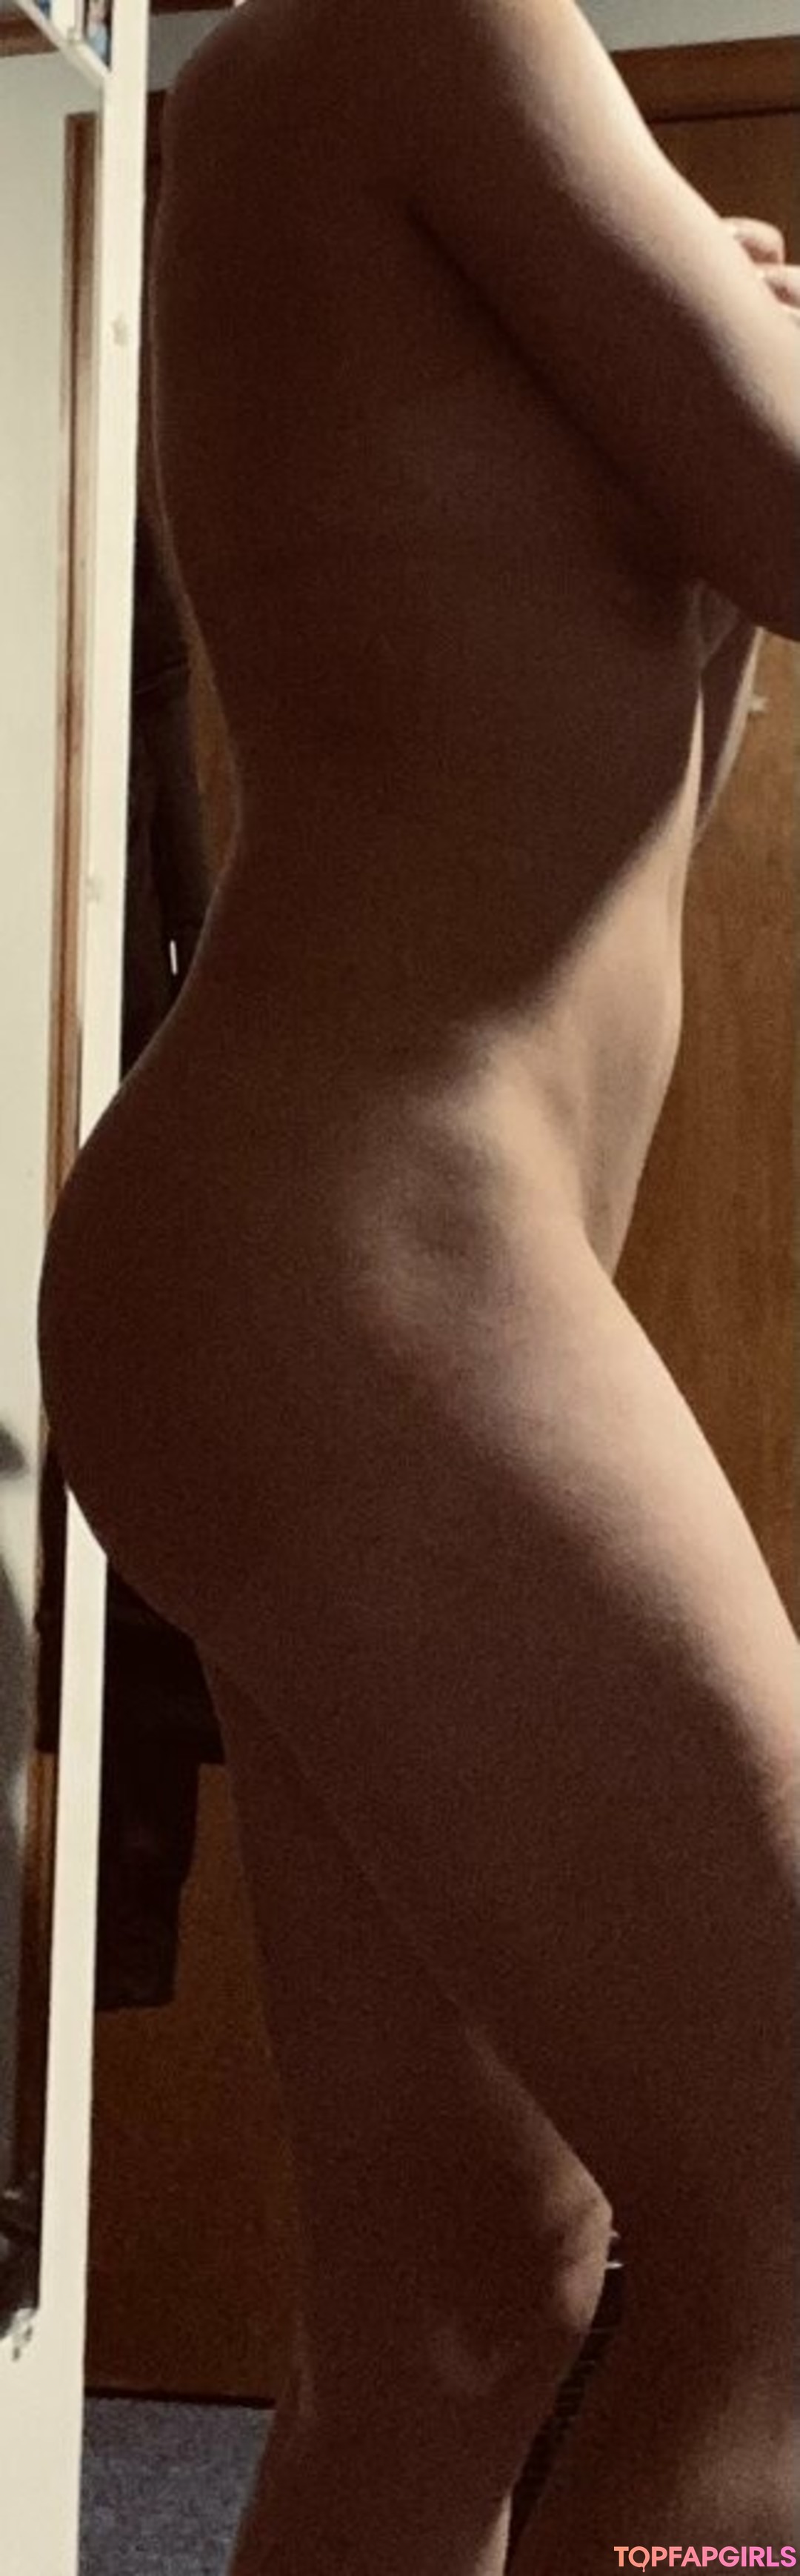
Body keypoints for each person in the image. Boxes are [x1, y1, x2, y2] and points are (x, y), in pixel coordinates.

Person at [37, 1, 800, 2569]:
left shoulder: (393, 77)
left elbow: (619, 706)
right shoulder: (429, 25)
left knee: (472, 2297)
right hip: (360, 1253)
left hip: (348, 1266)